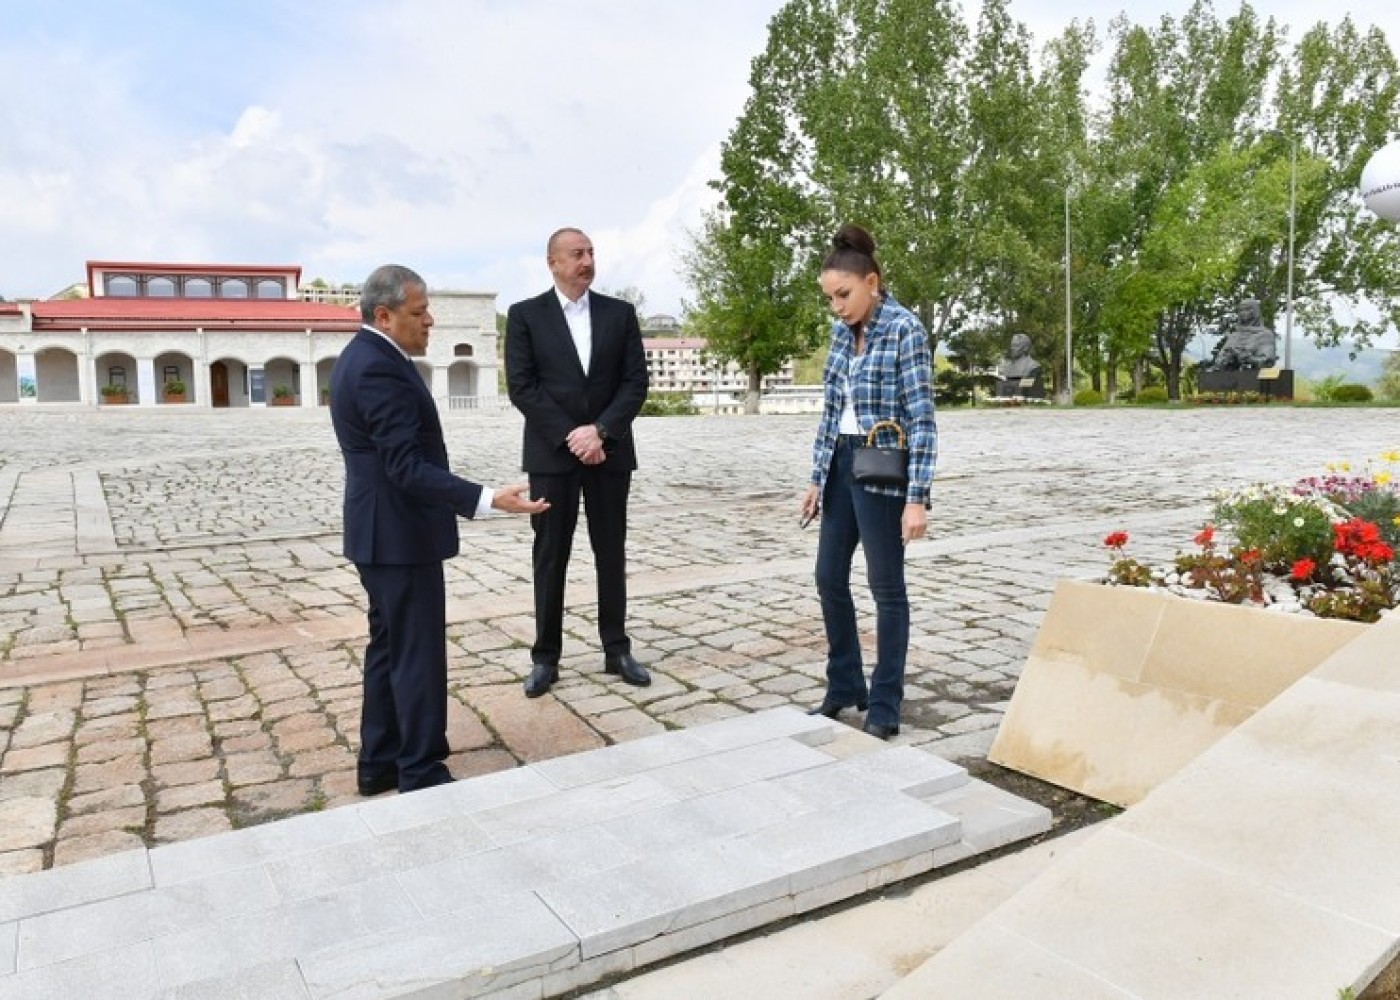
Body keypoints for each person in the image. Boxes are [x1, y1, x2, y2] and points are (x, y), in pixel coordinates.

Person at [330, 264, 548, 795]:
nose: (430, 320)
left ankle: (379, 762)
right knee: (416, 656)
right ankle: (421, 771)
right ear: (383, 316)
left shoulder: (361, 357)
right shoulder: (379, 367)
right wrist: (485, 498)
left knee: (388, 649)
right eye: (418, 311)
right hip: (399, 537)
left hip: (379, 534)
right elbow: (404, 466)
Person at [799, 224, 937, 741]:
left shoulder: (905, 330)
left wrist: (917, 499)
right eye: (830, 297)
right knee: (828, 576)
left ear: (872, 282)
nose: (836, 306)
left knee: (886, 588)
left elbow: (922, 418)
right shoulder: (840, 333)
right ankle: (843, 686)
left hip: (883, 465)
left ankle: (884, 704)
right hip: (840, 462)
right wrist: (817, 478)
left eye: (844, 294)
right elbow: (831, 410)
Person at [505, 228, 651, 698]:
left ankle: (617, 649)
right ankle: (545, 657)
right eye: (577, 254)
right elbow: (523, 387)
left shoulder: (620, 314)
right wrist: (573, 436)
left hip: (610, 453)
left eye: (591, 253)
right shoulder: (525, 316)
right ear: (553, 262)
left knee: (612, 552)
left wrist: (601, 432)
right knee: (551, 556)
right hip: (553, 456)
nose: (587, 260)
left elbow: (635, 383)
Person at [1208, 297, 1278, 370]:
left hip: (1253, 376)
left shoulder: (1265, 335)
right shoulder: (1234, 336)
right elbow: (1219, 361)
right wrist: (1228, 358)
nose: (1243, 313)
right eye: (1241, 310)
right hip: (1231, 377)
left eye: (1247, 309)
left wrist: (1248, 358)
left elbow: (1267, 361)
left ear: (1255, 312)